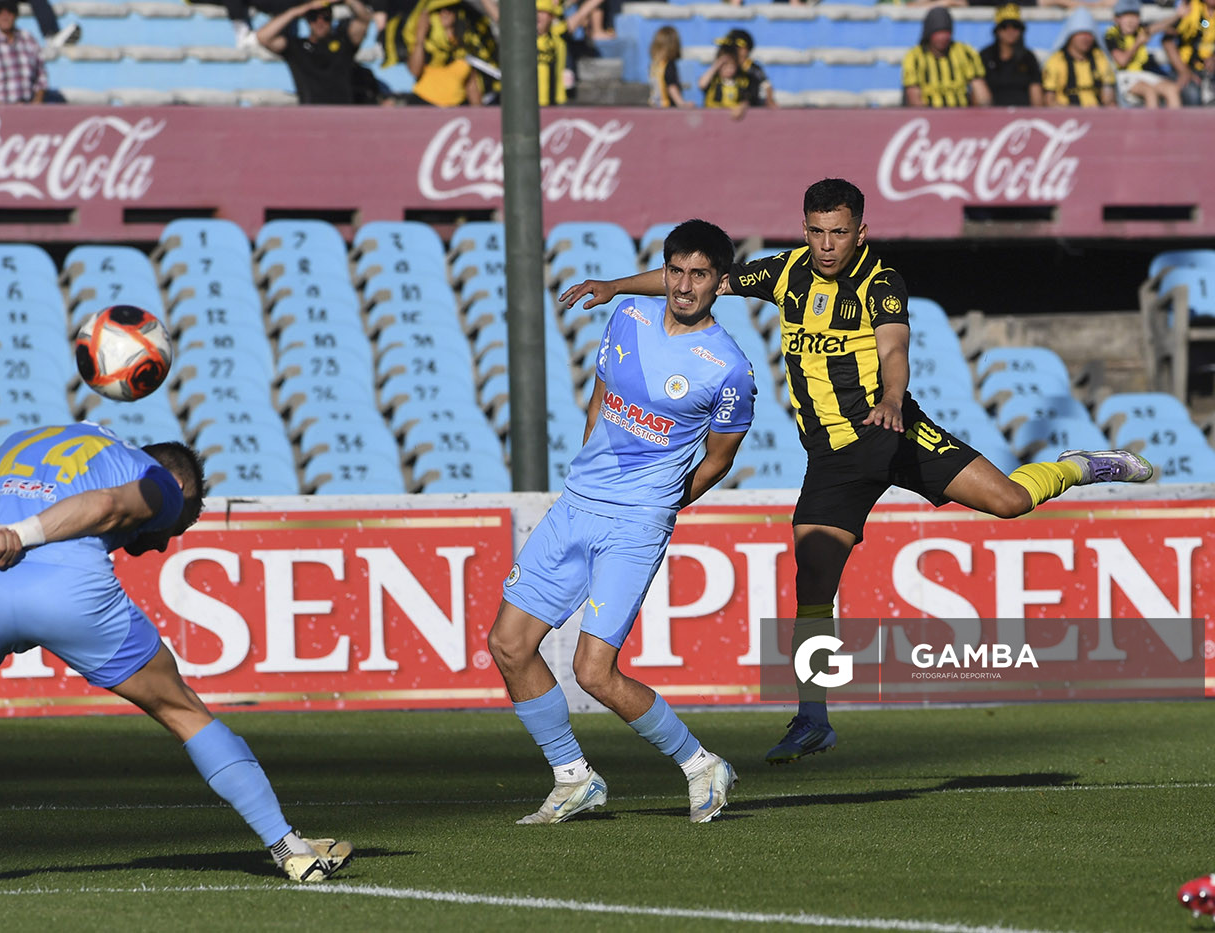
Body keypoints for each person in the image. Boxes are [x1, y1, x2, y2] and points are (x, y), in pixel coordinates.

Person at [558, 178, 1155, 766]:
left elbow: (893, 347)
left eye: (838, 232)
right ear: (804, 229)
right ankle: (813, 718)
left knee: (1007, 502)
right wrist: (612, 286)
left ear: (860, 232)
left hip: (893, 431)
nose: (826, 244)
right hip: (834, 458)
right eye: (816, 231)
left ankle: (1079, 466)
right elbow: (695, 280)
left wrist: (893, 397)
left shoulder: (881, 282)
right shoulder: (784, 272)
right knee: (813, 578)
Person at [0, 422, 352, 890]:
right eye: (175, 525)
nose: (163, 541)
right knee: (180, 707)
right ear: (178, 486)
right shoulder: (153, 478)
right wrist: (21, 535)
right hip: (71, 593)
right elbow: (106, 504)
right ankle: (291, 849)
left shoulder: (23, 443)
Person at [488, 219, 756, 825]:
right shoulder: (627, 320)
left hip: (635, 523)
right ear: (664, 274)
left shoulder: (728, 367)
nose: (686, 286)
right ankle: (572, 778)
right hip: (577, 503)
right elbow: (602, 394)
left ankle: (701, 765)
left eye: (700, 275)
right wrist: (590, 469)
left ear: (719, 282)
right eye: (677, 272)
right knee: (508, 645)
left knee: (592, 671)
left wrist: (659, 502)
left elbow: (718, 459)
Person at [257, 0, 377, 104]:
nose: (320, 22)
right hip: (310, 114)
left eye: (325, 17)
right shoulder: (296, 47)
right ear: (308, 20)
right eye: (314, 17)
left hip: (342, 113)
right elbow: (263, 36)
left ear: (331, 18)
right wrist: (297, 11)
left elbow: (364, 20)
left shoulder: (344, 43)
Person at [903, 7, 991, 107]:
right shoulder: (915, 57)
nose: (943, 37)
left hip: (962, 115)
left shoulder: (965, 52)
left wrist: (983, 115)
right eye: (938, 32)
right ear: (929, 33)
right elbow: (914, 98)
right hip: (930, 116)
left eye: (946, 32)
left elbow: (980, 91)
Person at [1106, 0, 1182, 107]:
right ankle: (1152, 123)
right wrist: (1138, 43)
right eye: (1126, 16)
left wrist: (1178, 14)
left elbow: (1159, 26)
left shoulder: (1140, 31)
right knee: (1150, 92)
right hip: (1123, 76)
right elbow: (1122, 61)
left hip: (1143, 75)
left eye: (1135, 16)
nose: (1131, 21)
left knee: (1172, 89)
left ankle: (1175, 123)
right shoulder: (1112, 35)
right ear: (1117, 19)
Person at [1043, 8, 1116, 106]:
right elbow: (1049, 102)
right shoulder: (1055, 61)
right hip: (1066, 117)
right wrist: (1077, 114)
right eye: (1081, 33)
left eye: (1089, 34)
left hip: (1097, 116)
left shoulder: (1100, 58)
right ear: (1070, 35)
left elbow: (1108, 98)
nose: (1085, 38)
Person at [980, 4, 1043, 106]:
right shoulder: (986, 56)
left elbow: (1036, 94)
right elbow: (978, 93)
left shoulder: (1028, 58)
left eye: (1015, 27)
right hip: (993, 116)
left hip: (1023, 117)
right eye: (1005, 27)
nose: (1010, 31)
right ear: (997, 31)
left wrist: (1037, 116)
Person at [699, 29, 774, 111]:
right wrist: (718, 64)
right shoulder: (718, 72)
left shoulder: (751, 69)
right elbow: (702, 84)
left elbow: (765, 85)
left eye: (741, 47)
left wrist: (769, 100)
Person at [1161, 0, 1214, 106]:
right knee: (1193, 95)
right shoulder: (1190, 8)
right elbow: (1168, 41)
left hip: (1208, 71)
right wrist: (1184, 71)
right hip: (1184, 68)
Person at [648, 24, 692, 108]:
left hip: (655, 107)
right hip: (667, 108)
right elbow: (671, 87)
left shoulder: (654, 65)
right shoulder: (669, 65)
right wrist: (681, 103)